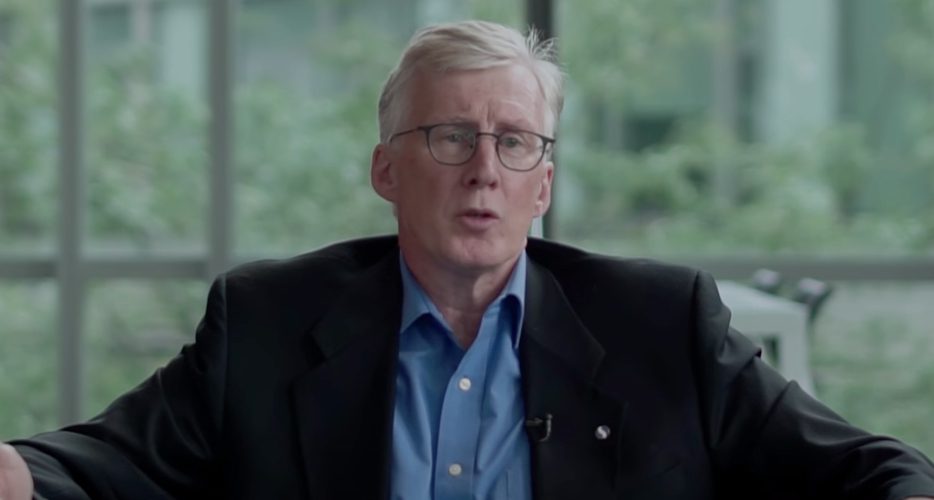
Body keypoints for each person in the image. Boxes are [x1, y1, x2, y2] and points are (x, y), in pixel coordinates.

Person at [2, 19, 933, 500]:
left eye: (515, 142)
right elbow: (102, 465)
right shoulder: (269, 323)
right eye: (450, 137)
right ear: (385, 170)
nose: (485, 170)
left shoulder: (663, 325)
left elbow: (868, 469)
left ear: (545, 183)